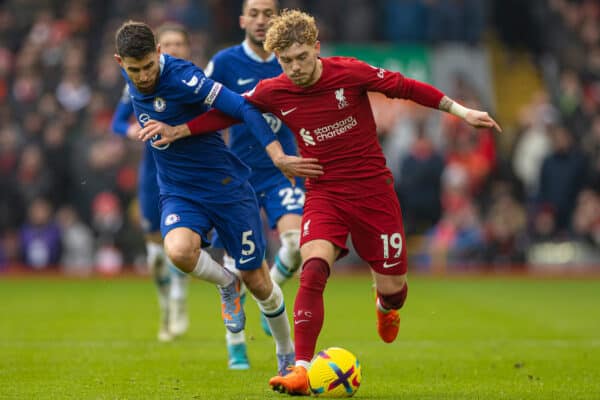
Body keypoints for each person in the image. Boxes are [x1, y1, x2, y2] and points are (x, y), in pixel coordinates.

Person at [138, 10, 501, 396]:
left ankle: (385, 304)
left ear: (316, 47)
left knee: (395, 287)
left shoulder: (349, 72)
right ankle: (300, 368)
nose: (294, 67)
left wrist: (462, 112)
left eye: (301, 57)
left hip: (373, 192)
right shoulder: (275, 90)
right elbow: (228, 114)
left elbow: (408, 87)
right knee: (311, 269)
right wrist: (178, 129)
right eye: (285, 61)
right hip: (324, 191)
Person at [113, 20, 323, 376]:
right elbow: (121, 119)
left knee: (258, 280)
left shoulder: (183, 77)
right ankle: (227, 285)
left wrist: (275, 154)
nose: (144, 76)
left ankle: (286, 353)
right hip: (179, 191)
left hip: (226, 187)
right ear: (120, 63)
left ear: (159, 54)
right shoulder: (130, 79)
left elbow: (241, 107)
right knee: (177, 251)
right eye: (135, 70)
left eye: (149, 66)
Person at [205, 0, 304, 345]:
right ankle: (238, 343)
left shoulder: (292, 58)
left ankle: (270, 295)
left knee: (295, 246)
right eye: (256, 14)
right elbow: (202, 106)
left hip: (283, 170)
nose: (262, 21)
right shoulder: (224, 62)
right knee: (234, 263)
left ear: (279, 20)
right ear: (243, 19)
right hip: (239, 173)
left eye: (269, 14)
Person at [111, 22, 193, 343]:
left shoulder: (191, 79)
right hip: (152, 172)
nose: (172, 49)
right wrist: (128, 130)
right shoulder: (136, 78)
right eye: (168, 43)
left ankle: (179, 300)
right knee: (156, 256)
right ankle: (166, 308)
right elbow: (118, 121)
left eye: (178, 44)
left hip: (188, 171)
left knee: (181, 243)